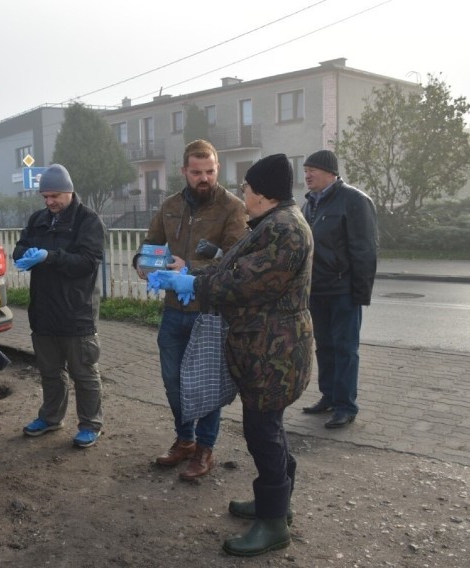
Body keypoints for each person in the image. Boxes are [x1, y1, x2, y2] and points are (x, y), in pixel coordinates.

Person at [151, 153, 314, 557]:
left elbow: (246, 282)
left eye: (247, 186)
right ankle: (276, 504)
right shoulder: (272, 224)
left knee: (263, 433)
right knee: (267, 430)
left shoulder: (284, 229)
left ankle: (275, 523)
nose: (243, 192)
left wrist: (194, 284)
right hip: (264, 346)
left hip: (273, 350)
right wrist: (196, 277)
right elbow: (230, 269)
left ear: (261, 192)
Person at [134, 139, 248, 481]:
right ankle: (184, 439)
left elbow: (234, 259)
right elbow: (151, 245)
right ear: (184, 171)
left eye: (210, 171)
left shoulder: (233, 207)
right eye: (197, 172)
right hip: (173, 310)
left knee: (206, 383)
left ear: (217, 169)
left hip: (211, 311)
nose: (204, 178)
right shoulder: (169, 206)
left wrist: (191, 266)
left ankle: (204, 449)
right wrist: (142, 261)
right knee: (173, 382)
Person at [13, 163, 106, 448]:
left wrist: (49, 257)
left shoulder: (87, 221)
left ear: (69, 191)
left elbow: (88, 262)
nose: (50, 202)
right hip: (43, 311)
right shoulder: (38, 219)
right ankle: (51, 417)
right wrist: (26, 254)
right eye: (45, 197)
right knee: (50, 372)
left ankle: (90, 424)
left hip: (76, 311)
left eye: (55, 196)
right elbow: (20, 247)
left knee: (83, 372)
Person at [300, 150, 378, 429]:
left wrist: (360, 293)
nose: (307, 175)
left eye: (313, 170)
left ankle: (346, 406)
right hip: (317, 291)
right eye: (305, 169)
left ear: (331, 173)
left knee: (346, 349)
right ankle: (329, 397)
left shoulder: (354, 201)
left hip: (343, 291)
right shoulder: (310, 204)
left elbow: (365, 250)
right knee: (325, 347)